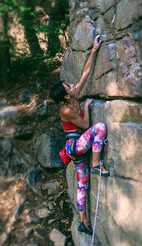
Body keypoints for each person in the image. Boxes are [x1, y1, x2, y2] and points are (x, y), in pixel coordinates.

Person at [49, 35, 109, 235]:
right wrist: (86, 106)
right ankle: (96, 164)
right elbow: (85, 125)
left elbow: (86, 72)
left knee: (82, 185)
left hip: (79, 149)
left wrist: (94, 49)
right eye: (70, 87)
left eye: (71, 85)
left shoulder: (72, 96)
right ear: (67, 95)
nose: (74, 86)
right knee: (99, 128)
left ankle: (83, 222)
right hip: (74, 146)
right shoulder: (66, 109)